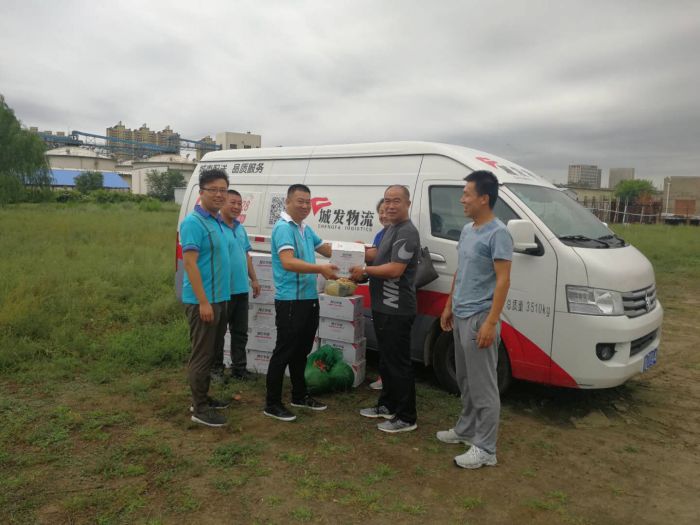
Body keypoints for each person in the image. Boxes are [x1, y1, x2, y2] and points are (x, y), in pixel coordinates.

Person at [438, 170, 513, 469]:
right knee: (466, 379)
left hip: (480, 316)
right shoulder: (468, 230)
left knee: (484, 386)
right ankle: (466, 429)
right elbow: (462, 270)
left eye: (467, 194)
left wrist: (491, 322)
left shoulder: (499, 233)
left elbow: (503, 280)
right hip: (461, 313)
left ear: (484, 198)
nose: (462, 199)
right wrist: (449, 304)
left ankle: (485, 448)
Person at [264, 184, 339, 422]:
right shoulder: (283, 228)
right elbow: (287, 262)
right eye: (300, 201)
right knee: (284, 352)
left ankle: (299, 395)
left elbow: (326, 250)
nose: (305, 206)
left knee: (302, 351)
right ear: (287, 202)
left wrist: (354, 250)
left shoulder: (305, 228)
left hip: (308, 299)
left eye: (308, 202)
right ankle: (272, 403)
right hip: (290, 301)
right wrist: (320, 269)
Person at [350, 185, 420, 433]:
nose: (390, 206)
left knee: (398, 364)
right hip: (384, 307)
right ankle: (388, 405)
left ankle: (406, 417)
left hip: (397, 309)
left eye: (396, 201)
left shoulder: (407, 232)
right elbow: (378, 255)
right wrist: (354, 253)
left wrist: (365, 270)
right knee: (387, 362)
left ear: (408, 204)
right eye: (387, 200)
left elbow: (395, 269)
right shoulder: (391, 228)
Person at [180, 169, 232, 427]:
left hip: (219, 298)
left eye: (223, 190)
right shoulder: (193, 223)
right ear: (201, 192)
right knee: (202, 355)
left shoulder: (217, 220)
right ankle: (199, 408)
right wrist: (203, 302)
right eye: (214, 190)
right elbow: (190, 264)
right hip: (203, 301)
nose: (219, 195)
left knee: (212, 353)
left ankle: (203, 397)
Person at [211, 189, 261, 383]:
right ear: (223, 203)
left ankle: (239, 369)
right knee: (218, 334)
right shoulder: (216, 227)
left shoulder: (240, 229)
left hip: (241, 289)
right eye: (232, 202)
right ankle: (216, 370)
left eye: (239, 204)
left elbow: (246, 255)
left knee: (240, 332)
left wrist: (254, 279)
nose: (237, 207)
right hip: (222, 291)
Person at [366, 198, 390, 391]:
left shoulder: (398, 233)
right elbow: (373, 258)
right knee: (383, 338)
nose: (383, 215)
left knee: (390, 340)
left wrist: (362, 257)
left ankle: (388, 379)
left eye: (386, 211)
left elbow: (378, 259)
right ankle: (385, 377)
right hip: (379, 293)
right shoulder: (380, 234)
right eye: (380, 212)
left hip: (391, 295)